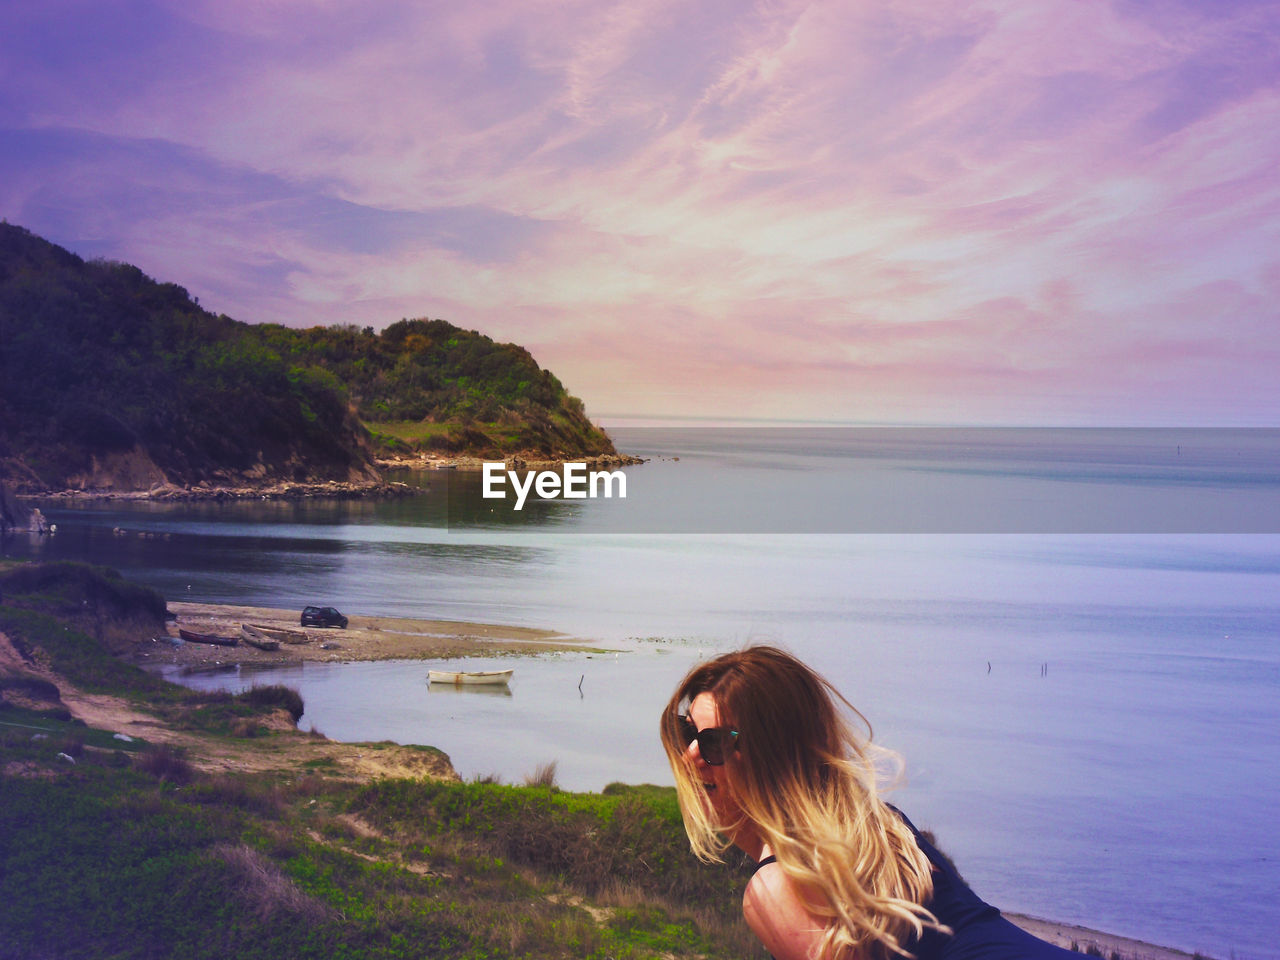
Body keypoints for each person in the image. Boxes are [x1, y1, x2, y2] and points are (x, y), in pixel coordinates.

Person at [660, 645, 1079, 960]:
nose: (691, 756)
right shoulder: (880, 824)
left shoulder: (774, 887)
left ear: (772, 756)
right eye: (689, 734)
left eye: (713, 742)